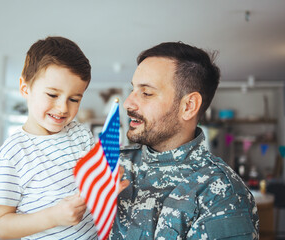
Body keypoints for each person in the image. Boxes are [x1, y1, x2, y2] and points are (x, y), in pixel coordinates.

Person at [110, 42, 259, 239]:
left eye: (146, 93)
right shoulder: (111, 163)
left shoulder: (222, 194)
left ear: (188, 106)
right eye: (133, 89)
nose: (128, 103)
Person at [0, 36, 98, 239]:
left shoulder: (81, 134)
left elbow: (96, 179)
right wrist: (53, 216)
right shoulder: (10, 155)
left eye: (74, 99)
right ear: (25, 88)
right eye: (52, 95)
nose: (63, 108)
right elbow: (0, 226)